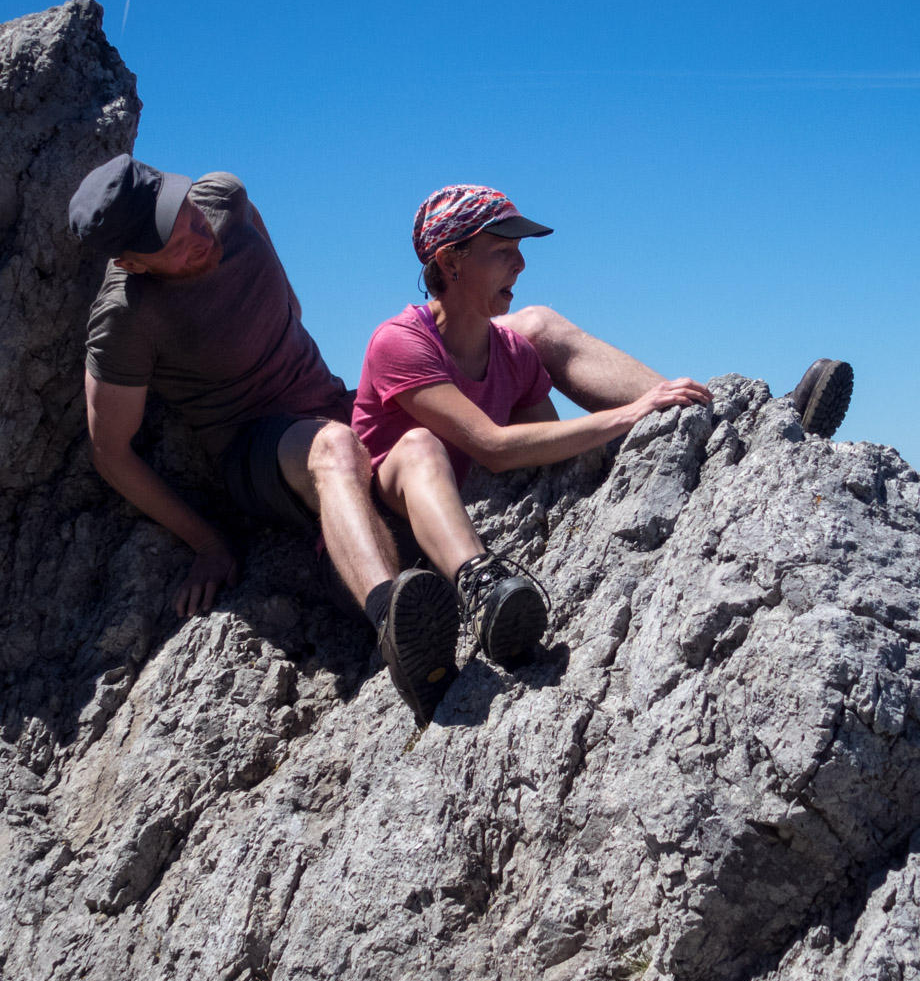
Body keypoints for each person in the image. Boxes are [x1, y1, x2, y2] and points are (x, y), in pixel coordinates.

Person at [352, 185, 854, 673]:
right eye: (502, 250)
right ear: (450, 261)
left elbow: (554, 454)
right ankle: (481, 588)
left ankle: (727, 432)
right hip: (401, 543)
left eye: (520, 250)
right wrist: (632, 411)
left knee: (575, 416)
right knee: (420, 445)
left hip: (478, 504)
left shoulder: (513, 354)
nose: (521, 264)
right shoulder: (399, 343)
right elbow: (495, 447)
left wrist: (648, 436)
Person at [70, 156, 460, 722]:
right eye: (168, 241)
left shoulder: (222, 199)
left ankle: (475, 582)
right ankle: (393, 619)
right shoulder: (126, 318)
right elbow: (110, 450)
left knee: (466, 394)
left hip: (332, 401)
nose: (193, 232)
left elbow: (289, 303)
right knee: (334, 450)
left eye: (180, 210)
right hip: (254, 445)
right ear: (131, 263)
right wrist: (207, 542)